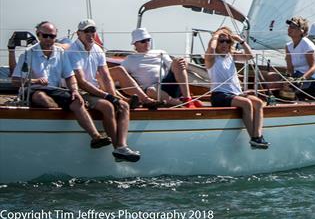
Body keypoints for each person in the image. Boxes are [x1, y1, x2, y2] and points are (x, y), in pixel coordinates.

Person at [11, 21, 113, 151]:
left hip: (56, 90)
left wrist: (75, 91)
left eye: (52, 36)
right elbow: (15, 80)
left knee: (77, 100)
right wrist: (36, 81)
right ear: (38, 35)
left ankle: (96, 137)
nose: (49, 39)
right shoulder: (27, 54)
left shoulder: (61, 53)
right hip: (34, 89)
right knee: (41, 97)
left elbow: (70, 77)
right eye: (45, 35)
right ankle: (61, 122)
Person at [66, 19, 140, 162]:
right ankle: (117, 148)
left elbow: (106, 77)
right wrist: (108, 97)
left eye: (92, 30)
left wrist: (114, 97)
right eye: (86, 31)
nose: (90, 34)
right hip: (80, 91)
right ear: (78, 34)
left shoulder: (97, 49)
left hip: (94, 89)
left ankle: (122, 147)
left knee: (123, 105)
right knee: (107, 106)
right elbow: (81, 82)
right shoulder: (72, 51)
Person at [204, 27, 269, 149]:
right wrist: (216, 35)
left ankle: (258, 136)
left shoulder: (231, 56)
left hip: (236, 94)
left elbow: (249, 56)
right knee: (246, 103)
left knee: (259, 103)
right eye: (221, 41)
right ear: (216, 42)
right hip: (219, 95)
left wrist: (241, 41)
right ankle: (254, 139)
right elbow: (211, 49)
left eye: (227, 41)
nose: (224, 44)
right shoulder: (211, 58)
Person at [110, 28, 201, 108]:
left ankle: (187, 98)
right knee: (151, 90)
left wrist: (183, 63)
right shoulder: (129, 60)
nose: (147, 43)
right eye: (143, 41)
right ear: (135, 44)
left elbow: (173, 66)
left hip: (168, 84)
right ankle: (182, 104)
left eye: (148, 40)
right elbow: (120, 78)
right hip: (152, 91)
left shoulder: (160, 52)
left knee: (178, 61)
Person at [285, 17, 315, 93]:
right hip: (296, 76)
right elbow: (290, 69)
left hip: (309, 79)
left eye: (293, 27)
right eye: (289, 26)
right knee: (271, 78)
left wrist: (302, 79)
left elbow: (314, 67)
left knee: (286, 87)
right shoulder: (288, 46)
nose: (290, 28)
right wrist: (288, 77)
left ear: (301, 31)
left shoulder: (306, 44)